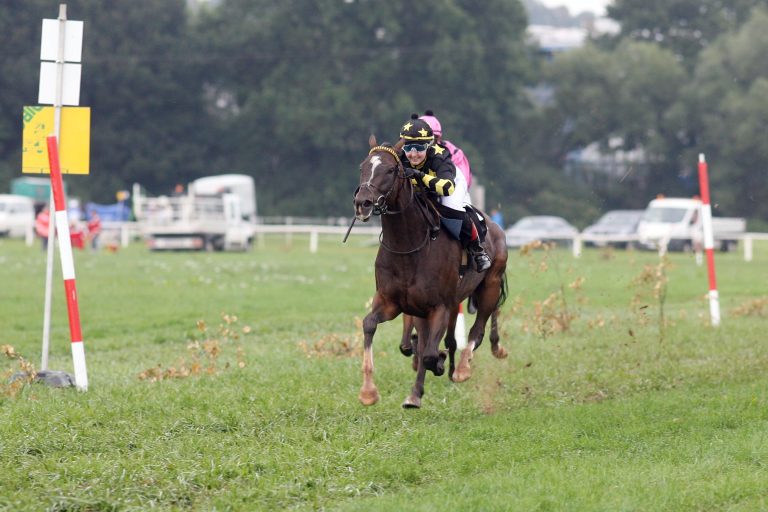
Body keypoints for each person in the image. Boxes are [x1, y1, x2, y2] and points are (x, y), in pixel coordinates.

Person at [398, 114, 491, 271]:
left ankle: (477, 251)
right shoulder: (400, 156)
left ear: (429, 145)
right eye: (408, 148)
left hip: (450, 183)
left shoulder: (439, 155)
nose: (413, 154)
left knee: (452, 209)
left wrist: (419, 175)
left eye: (419, 148)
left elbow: (447, 188)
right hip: (423, 187)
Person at [419, 110, 472, 189]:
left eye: (432, 139)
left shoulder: (454, 153)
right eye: (423, 139)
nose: (428, 144)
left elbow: (464, 180)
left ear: (439, 137)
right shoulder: (409, 150)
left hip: (452, 187)